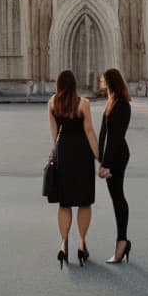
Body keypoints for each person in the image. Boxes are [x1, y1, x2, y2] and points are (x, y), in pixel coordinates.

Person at [48, 70, 99, 268]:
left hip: (64, 154)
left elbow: (55, 136)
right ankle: (81, 243)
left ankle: (63, 244)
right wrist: (99, 157)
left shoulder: (52, 104)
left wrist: (58, 156)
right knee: (84, 202)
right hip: (83, 155)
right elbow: (89, 132)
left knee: (65, 203)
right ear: (74, 85)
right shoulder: (83, 103)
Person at [98, 68, 132, 264]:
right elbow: (104, 132)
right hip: (112, 156)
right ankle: (122, 241)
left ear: (110, 82)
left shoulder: (121, 105)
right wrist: (98, 156)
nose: (101, 83)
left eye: (103, 80)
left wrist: (107, 165)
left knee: (118, 198)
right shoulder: (112, 102)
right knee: (116, 198)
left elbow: (116, 139)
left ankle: (122, 241)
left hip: (118, 157)